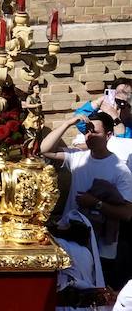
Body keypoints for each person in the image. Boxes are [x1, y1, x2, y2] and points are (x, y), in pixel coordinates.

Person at [43, 112, 132, 284]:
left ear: (108, 135)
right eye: (87, 131)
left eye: (95, 132)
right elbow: (45, 149)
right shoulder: (77, 157)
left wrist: (96, 204)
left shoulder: (120, 170)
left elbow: (127, 213)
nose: (89, 136)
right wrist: (68, 122)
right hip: (71, 237)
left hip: (101, 248)